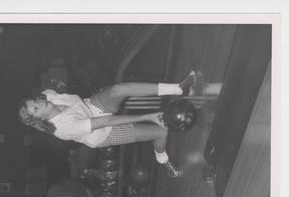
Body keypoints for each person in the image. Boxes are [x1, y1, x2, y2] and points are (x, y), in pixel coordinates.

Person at [17, 72, 197, 178]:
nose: (39, 103)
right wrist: (149, 116)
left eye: (35, 102)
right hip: (102, 133)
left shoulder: (47, 95)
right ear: (39, 120)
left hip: (92, 105)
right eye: (36, 109)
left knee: (118, 89)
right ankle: (162, 159)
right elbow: (107, 121)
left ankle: (179, 88)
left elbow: (62, 91)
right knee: (160, 132)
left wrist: (62, 86)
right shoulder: (63, 129)